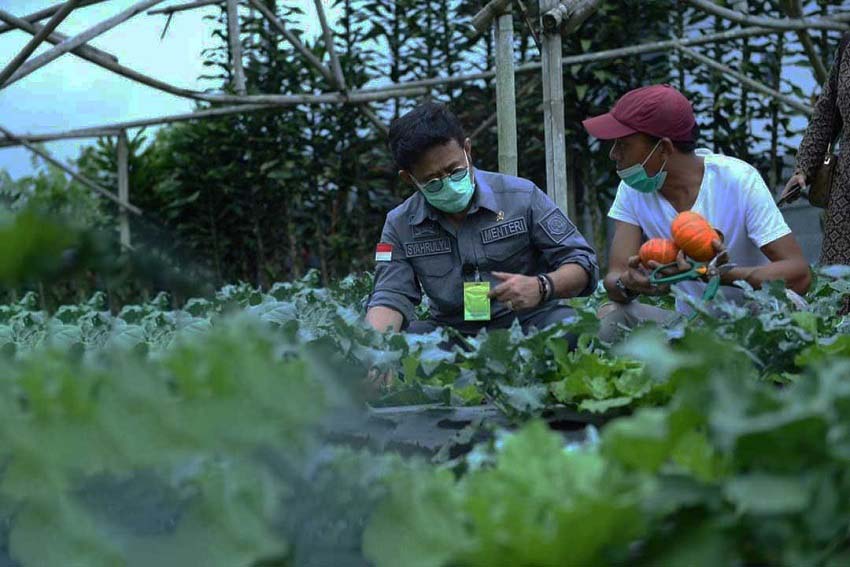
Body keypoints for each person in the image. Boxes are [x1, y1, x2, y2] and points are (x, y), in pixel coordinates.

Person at [582, 85, 811, 342]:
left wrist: (717, 275)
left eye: (623, 144)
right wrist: (630, 283)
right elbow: (614, 275)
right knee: (610, 315)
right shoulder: (631, 190)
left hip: (754, 322)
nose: (614, 154)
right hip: (689, 330)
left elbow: (799, 274)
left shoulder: (737, 179)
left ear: (664, 148)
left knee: (788, 306)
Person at [365, 102, 598, 341]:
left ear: (467, 150)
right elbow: (390, 295)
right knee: (402, 345)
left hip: (527, 326)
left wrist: (542, 286)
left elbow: (582, 263)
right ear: (409, 178)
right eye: (433, 181)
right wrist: (374, 351)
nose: (449, 184)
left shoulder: (522, 197)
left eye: (455, 171)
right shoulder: (400, 223)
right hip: (453, 336)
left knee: (569, 327)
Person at [781, 32, 849, 311]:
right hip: (846, 193)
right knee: (841, 289)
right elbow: (826, 114)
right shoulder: (848, 46)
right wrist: (804, 168)